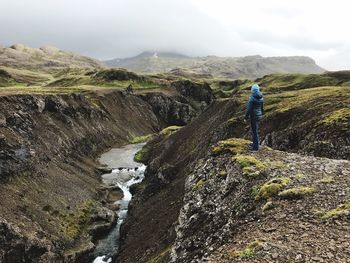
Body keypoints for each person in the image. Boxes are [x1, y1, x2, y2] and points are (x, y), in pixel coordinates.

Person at [245, 84, 264, 151]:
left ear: (252, 90)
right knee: (255, 130)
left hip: (253, 116)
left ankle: (255, 147)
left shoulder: (252, 98)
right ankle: (255, 144)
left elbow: (248, 109)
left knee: (254, 131)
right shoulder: (261, 97)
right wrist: (262, 114)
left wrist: (245, 117)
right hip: (259, 116)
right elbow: (262, 108)